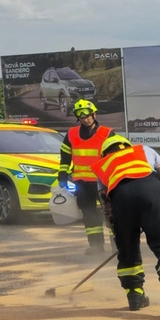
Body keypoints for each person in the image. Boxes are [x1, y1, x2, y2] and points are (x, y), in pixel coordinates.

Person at [91, 135, 160, 315]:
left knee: (128, 252)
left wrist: (120, 233)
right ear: (127, 145)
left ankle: (135, 297)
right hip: (150, 192)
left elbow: (106, 203)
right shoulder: (145, 150)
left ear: (105, 153)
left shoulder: (103, 165)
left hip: (120, 199)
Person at [57, 99, 112, 254]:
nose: (85, 119)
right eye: (81, 117)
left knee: (111, 215)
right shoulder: (72, 134)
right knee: (89, 216)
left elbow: (115, 158)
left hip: (103, 183)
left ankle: (117, 246)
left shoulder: (107, 133)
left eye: (88, 116)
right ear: (77, 118)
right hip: (82, 183)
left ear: (94, 114)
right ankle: (96, 246)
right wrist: (62, 173)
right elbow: (65, 156)